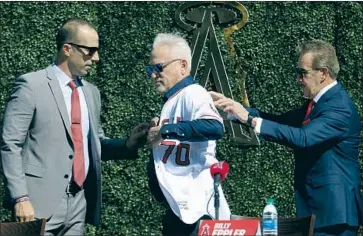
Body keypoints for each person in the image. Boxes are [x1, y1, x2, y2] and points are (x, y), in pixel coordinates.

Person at [0, 18, 151, 235]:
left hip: (78, 205)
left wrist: (127, 144)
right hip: (36, 205)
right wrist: (20, 197)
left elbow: (94, 145)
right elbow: (10, 144)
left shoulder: (91, 92)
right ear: (67, 49)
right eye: (90, 51)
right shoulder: (31, 86)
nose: (96, 58)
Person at [210, 39, 362, 235]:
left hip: (335, 213)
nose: (299, 79)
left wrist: (250, 120)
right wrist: (231, 108)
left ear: (323, 73)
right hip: (321, 212)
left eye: (303, 73)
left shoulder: (338, 107)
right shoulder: (319, 103)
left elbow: (303, 138)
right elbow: (280, 122)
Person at [146, 33, 231, 236]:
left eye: (159, 68)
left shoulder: (193, 92)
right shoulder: (174, 99)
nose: (153, 75)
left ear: (183, 65)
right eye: (151, 69)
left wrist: (166, 130)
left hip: (196, 209)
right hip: (181, 209)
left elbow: (214, 126)